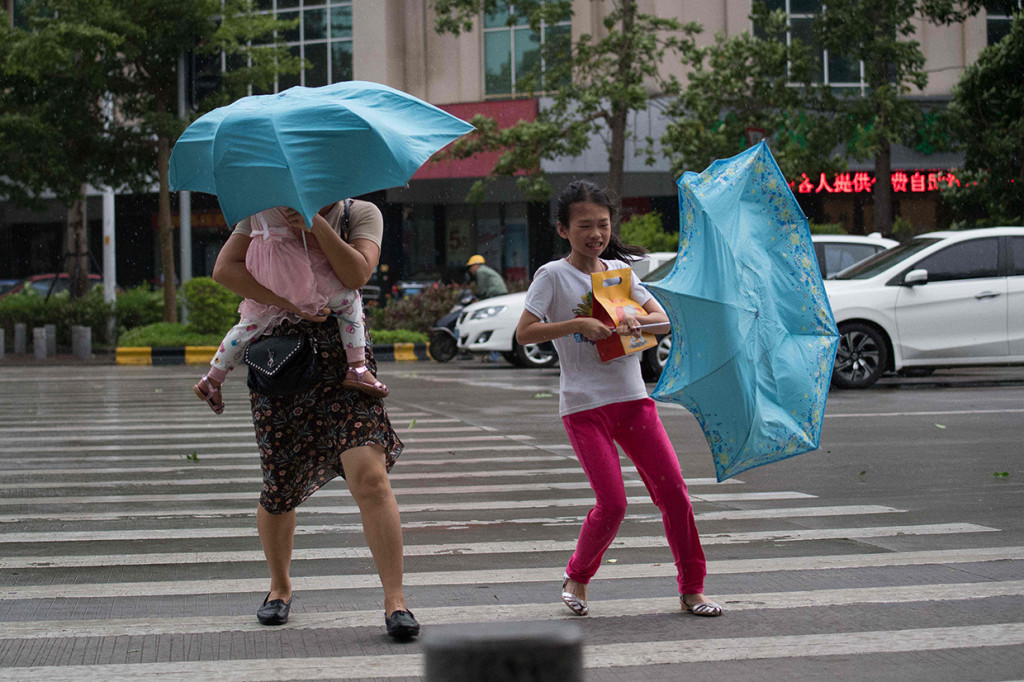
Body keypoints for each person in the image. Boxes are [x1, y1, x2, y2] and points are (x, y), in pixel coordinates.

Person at [211, 198, 420, 639]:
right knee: (280, 483)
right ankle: (280, 586)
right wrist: (288, 299)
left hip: (346, 363)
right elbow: (226, 270)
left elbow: (358, 274)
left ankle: (395, 600)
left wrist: (315, 227)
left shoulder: (358, 214)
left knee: (371, 477)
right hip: (282, 361)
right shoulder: (262, 208)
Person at [514, 180, 723, 618]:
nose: (596, 233)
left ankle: (692, 588)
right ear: (563, 229)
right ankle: (578, 576)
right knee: (613, 503)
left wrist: (634, 323)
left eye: (603, 224)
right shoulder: (553, 276)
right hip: (584, 407)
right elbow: (525, 332)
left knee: (675, 495)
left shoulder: (617, 276)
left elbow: (662, 322)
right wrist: (578, 326)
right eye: (585, 225)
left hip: (633, 401)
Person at [193, 204, 386, 415]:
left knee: (249, 324)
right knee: (350, 300)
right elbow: (324, 258)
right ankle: (357, 367)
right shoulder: (294, 207)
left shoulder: (261, 206)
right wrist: (316, 226)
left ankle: (212, 378)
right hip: (295, 275)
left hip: (267, 273)